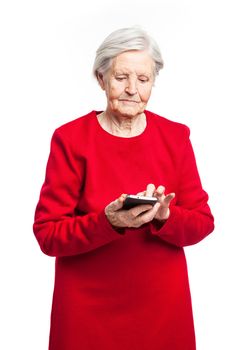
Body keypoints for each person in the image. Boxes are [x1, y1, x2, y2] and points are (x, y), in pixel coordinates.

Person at [33, 26, 214, 350]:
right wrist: (108, 222)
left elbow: (203, 223)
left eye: (143, 80)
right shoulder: (71, 139)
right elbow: (48, 235)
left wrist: (165, 217)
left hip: (161, 309)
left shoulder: (175, 137)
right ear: (101, 79)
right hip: (86, 309)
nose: (132, 89)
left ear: (153, 82)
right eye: (121, 78)